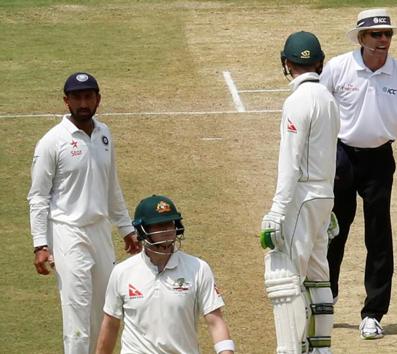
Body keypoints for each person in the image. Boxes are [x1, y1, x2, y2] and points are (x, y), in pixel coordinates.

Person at [319, 8, 397, 339]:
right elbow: (317, 102)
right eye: (376, 35)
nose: (383, 40)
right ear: (362, 38)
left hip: (379, 161)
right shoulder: (339, 68)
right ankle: (326, 296)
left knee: (379, 235)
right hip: (342, 156)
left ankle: (373, 313)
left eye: (387, 34)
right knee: (334, 230)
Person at [28, 72, 141, 354]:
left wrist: (126, 228)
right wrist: (40, 244)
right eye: (77, 97)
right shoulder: (52, 141)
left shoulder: (104, 134)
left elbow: (111, 185)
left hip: (100, 231)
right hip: (68, 232)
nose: (83, 103)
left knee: (106, 309)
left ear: (98, 99)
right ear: (66, 101)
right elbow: (38, 196)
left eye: (88, 96)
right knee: (77, 311)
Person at [260, 31, 340, 354]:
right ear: (320, 62)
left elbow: (291, 162)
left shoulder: (296, 101)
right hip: (323, 196)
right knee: (318, 275)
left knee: (283, 274)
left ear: (285, 64)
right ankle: (321, 349)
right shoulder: (329, 100)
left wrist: (278, 211)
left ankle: (288, 349)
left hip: (303, 197)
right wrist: (325, 204)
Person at [96, 195, 235, 354]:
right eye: (159, 225)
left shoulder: (198, 268)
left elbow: (215, 322)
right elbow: (110, 325)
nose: (167, 230)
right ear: (143, 230)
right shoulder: (122, 272)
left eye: (170, 224)